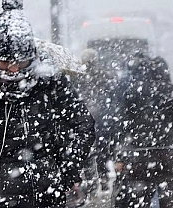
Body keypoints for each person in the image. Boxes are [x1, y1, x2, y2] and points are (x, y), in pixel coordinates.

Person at [0, 0, 96, 207]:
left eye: (20, 62)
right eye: (5, 61)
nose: (12, 70)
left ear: (31, 56)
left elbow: (83, 126)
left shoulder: (50, 82)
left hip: (47, 197)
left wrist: (65, 172)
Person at [111, 56, 173, 208]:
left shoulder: (132, 93)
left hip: (138, 156)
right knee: (168, 200)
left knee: (139, 200)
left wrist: (119, 157)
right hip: (169, 156)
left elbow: (120, 126)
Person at [75, 49, 117, 192]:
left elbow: (76, 95)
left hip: (85, 118)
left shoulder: (78, 75)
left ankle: (91, 183)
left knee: (88, 151)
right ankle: (103, 178)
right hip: (102, 118)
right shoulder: (104, 74)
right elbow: (111, 96)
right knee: (102, 150)